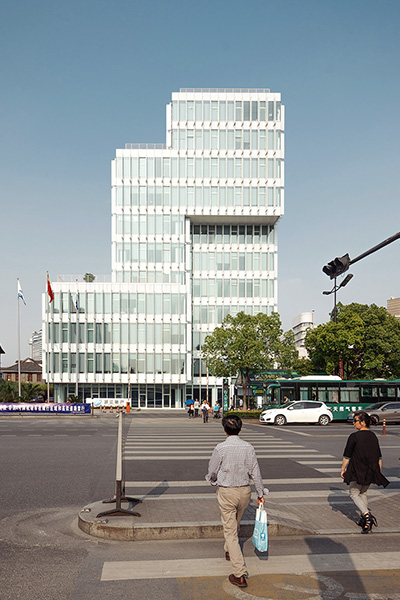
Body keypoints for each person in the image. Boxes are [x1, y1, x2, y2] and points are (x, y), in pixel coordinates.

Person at [206, 414, 265, 589]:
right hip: (245, 492)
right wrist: (260, 493)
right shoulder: (248, 447)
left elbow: (212, 470)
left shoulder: (221, 448)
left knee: (230, 530)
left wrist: (212, 480)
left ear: (224, 429)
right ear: (240, 428)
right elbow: (256, 471)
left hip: (227, 492)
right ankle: (228, 550)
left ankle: (239, 573)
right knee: (234, 524)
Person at [341, 410, 389, 533]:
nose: (353, 423)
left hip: (358, 470)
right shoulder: (373, 436)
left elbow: (347, 455)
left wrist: (343, 469)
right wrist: (378, 471)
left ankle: (367, 516)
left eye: (355, 421)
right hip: (371, 470)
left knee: (353, 493)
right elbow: (379, 456)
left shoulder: (354, 436)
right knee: (363, 493)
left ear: (362, 422)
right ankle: (363, 520)